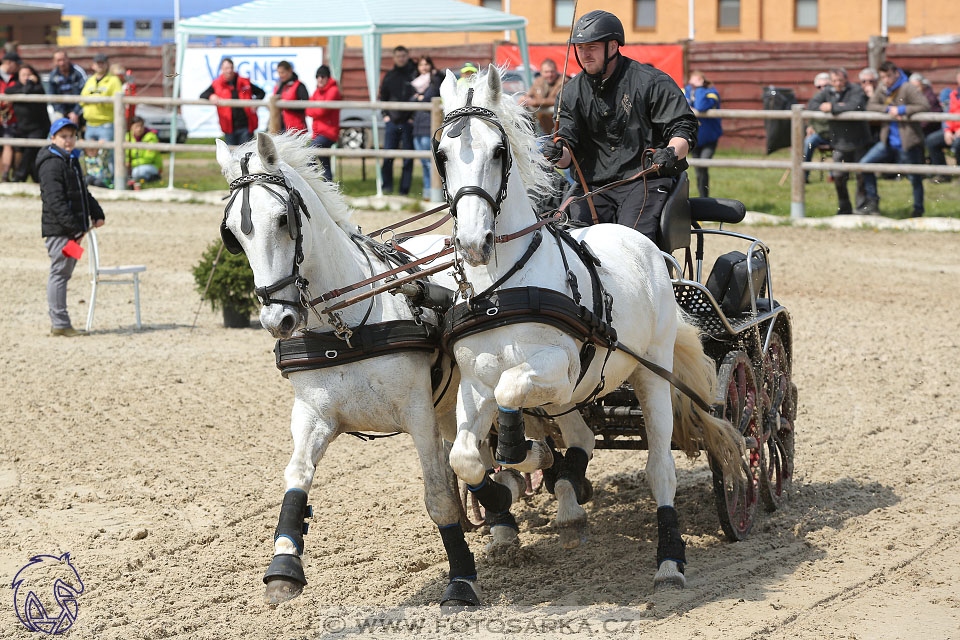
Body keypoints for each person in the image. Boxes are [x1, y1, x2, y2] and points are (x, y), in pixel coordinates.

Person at [542, 10, 698, 245]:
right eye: (580, 48)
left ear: (613, 47)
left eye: (592, 47)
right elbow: (566, 149)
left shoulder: (652, 82)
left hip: (645, 180)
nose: (585, 54)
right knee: (567, 240)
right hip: (593, 185)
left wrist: (671, 151)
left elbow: (682, 128)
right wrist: (556, 153)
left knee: (630, 243)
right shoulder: (570, 93)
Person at [37, 118, 105, 337]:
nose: (68, 141)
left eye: (71, 136)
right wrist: (73, 228)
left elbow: (82, 192)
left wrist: (96, 212)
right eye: (63, 137)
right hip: (61, 231)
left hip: (75, 231)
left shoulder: (71, 160)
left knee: (65, 272)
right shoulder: (51, 164)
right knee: (59, 272)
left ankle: (61, 321)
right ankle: (59, 322)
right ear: (53, 138)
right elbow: (54, 201)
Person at [861, 61, 929, 217]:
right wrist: (887, 109)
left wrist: (902, 109)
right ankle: (873, 202)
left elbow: (924, 105)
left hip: (908, 140)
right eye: (883, 76)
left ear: (896, 73)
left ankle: (918, 209)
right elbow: (871, 105)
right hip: (888, 141)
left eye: (889, 76)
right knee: (865, 165)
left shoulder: (908, 87)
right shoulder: (883, 88)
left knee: (915, 177)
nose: (886, 79)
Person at [808, 68, 871, 215]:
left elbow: (856, 105)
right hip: (839, 141)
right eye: (834, 81)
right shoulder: (828, 91)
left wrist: (832, 107)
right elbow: (812, 104)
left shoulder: (855, 89)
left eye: (840, 80)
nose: (837, 84)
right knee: (838, 176)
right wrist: (836, 107)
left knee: (861, 176)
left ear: (846, 80)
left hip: (859, 140)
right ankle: (844, 208)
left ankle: (862, 208)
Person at [378, 46, 417, 195]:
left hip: (408, 123)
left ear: (407, 56)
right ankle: (387, 187)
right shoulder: (389, 76)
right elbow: (383, 97)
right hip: (392, 122)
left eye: (403, 55)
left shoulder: (414, 75)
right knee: (388, 156)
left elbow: (419, 95)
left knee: (408, 158)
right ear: (394, 58)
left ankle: (404, 191)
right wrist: (385, 116)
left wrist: (412, 117)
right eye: (398, 56)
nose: (401, 58)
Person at [200, 57, 265, 146]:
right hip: (229, 126)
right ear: (222, 69)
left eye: (231, 68)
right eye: (226, 68)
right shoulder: (217, 84)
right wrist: (211, 95)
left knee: (246, 154)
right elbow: (203, 95)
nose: (229, 71)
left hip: (246, 125)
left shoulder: (244, 82)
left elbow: (261, 93)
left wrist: (255, 103)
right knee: (231, 155)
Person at [6, 64, 50, 183]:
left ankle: (20, 175)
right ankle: (34, 177)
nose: (26, 77)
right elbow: (8, 90)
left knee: (31, 150)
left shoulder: (38, 87)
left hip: (39, 127)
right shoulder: (15, 87)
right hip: (22, 128)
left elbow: (26, 92)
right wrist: (28, 85)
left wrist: (30, 83)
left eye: (28, 75)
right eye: (23, 75)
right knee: (24, 152)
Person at [80, 53, 122, 178]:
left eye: (102, 63)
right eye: (97, 63)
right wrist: (97, 100)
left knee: (107, 154)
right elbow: (82, 99)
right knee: (90, 155)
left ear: (106, 65)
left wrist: (100, 101)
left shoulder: (113, 80)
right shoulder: (90, 80)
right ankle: (93, 178)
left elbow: (118, 101)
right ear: (93, 66)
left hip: (106, 124)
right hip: (90, 124)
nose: (100, 66)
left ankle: (111, 179)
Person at [683, 70, 722, 197]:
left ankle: (705, 197)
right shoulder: (687, 90)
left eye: (697, 80)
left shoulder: (711, 92)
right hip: (694, 138)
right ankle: (700, 197)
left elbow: (700, 106)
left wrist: (699, 89)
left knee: (703, 165)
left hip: (709, 138)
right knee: (697, 169)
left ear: (702, 80)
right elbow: (684, 106)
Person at [410, 56, 441, 198]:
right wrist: (418, 97)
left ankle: (433, 192)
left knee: (430, 162)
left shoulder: (435, 80)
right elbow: (410, 99)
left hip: (428, 124)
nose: (423, 67)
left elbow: (430, 97)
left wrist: (419, 97)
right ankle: (427, 191)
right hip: (417, 124)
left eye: (426, 64)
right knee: (423, 162)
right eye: (421, 64)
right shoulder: (415, 81)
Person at [305, 65, 342, 182]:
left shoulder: (333, 90)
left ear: (327, 77)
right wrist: (316, 110)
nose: (320, 79)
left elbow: (322, 110)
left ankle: (314, 181)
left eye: (322, 76)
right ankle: (328, 185)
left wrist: (314, 109)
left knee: (309, 153)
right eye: (317, 76)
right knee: (324, 161)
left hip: (328, 133)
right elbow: (308, 110)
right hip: (319, 133)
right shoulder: (317, 91)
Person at [926, 69, 960, 184]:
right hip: (952, 130)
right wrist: (947, 130)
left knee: (958, 144)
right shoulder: (953, 95)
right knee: (931, 141)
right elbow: (947, 114)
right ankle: (943, 174)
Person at [803, 72, 832, 183]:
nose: (823, 89)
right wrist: (810, 126)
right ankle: (804, 176)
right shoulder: (815, 100)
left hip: (836, 135)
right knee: (808, 142)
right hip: (820, 135)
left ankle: (835, 175)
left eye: (826, 86)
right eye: (820, 86)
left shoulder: (837, 97)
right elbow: (810, 116)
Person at [523, 59, 563, 134]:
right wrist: (524, 99)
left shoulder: (563, 81)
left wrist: (535, 102)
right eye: (546, 72)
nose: (549, 75)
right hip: (543, 129)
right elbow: (529, 95)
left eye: (552, 71)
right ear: (541, 72)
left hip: (559, 130)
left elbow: (558, 100)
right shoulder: (539, 81)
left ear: (556, 71)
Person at [47, 49, 86, 124]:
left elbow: (84, 92)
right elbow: (51, 96)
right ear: (54, 62)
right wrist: (62, 112)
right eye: (58, 60)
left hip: (78, 109)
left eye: (63, 60)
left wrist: (75, 112)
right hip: (61, 110)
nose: (62, 63)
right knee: (57, 123)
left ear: (68, 59)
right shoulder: (53, 75)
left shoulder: (78, 72)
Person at [124, 116, 162, 185]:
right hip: (134, 166)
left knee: (136, 172)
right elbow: (126, 154)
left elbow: (149, 158)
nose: (139, 129)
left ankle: (152, 178)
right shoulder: (127, 137)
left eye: (141, 126)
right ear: (131, 127)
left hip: (151, 165)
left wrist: (130, 164)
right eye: (136, 126)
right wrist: (126, 162)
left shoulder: (151, 137)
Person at [273, 60, 309, 134]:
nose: (280, 75)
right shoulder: (279, 86)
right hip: (280, 127)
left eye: (282, 72)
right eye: (279, 73)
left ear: (290, 71)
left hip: (296, 129)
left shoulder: (299, 86)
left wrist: (287, 105)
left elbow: (305, 105)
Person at [1, 51, 20, 181]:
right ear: (8, 62)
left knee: (8, 144)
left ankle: (5, 174)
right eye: (15, 63)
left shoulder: (17, 77)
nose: (18, 66)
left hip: (11, 118)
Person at [909, 73, 943, 137]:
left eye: (917, 87)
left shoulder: (929, 98)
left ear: (923, 85)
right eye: (912, 88)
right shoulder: (916, 97)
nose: (915, 90)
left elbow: (927, 121)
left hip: (931, 129)